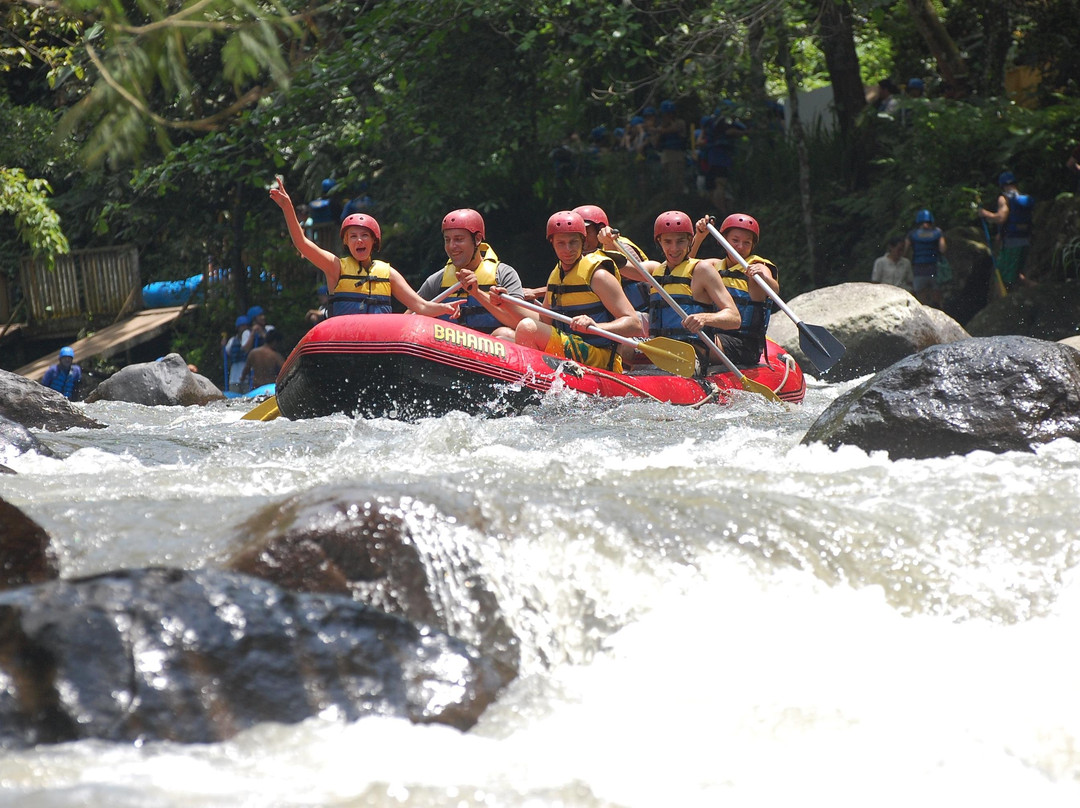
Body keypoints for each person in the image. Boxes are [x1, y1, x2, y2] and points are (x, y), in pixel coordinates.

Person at [269, 175, 455, 319]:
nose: (359, 241)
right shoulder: (335, 267)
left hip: (377, 344)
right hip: (345, 344)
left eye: (365, 235)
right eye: (353, 236)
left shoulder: (388, 273)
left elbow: (421, 306)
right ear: (346, 242)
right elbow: (302, 244)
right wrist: (288, 208)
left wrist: (443, 308)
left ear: (374, 241)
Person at [486, 210, 642, 372]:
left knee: (526, 328)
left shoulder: (599, 275)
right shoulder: (556, 275)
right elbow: (543, 320)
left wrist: (596, 326)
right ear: (552, 243)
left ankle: (532, 383)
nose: (568, 249)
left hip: (600, 358)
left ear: (582, 240)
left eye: (573, 242)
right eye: (561, 243)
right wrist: (506, 304)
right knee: (502, 341)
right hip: (570, 349)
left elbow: (634, 324)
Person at [415, 208, 524, 338]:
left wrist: (477, 293)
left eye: (459, 239)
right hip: (448, 350)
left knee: (505, 334)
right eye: (447, 240)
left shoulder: (504, 275)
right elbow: (408, 317)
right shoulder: (436, 280)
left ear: (477, 239)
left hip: (492, 350)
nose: (451, 246)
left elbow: (520, 323)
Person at [686, 212, 775, 367]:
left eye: (746, 243)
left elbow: (774, 289)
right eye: (735, 240)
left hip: (744, 345)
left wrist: (763, 278)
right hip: (715, 336)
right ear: (723, 241)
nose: (740, 247)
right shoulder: (713, 266)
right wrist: (699, 236)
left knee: (693, 342)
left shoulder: (758, 266)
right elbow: (684, 266)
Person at [979, 171, 1033, 290]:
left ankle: (1004, 303)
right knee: (1016, 275)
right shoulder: (1023, 199)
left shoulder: (1004, 198)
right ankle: (1038, 289)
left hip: (1012, 243)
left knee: (1001, 278)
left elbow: (1001, 218)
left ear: (1002, 185)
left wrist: (985, 214)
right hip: (1025, 241)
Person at [905, 209, 947, 306]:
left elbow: (905, 250)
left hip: (919, 269)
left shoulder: (912, 234)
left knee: (921, 299)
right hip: (934, 268)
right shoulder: (937, 232)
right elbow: (943, 249)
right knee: (936, 297)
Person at [656, 100, 689, 190]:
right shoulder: (661, 126)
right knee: (667, 182)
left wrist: (664, 127)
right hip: (666, 155)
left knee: (677, 182)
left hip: (677, 155)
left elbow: (674, 129)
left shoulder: (680, 123)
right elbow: (656, 142)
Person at [223, 315, 250, 393]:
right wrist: (223, 346)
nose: (244, 328)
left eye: (245, 326)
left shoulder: (250, 339)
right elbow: (225, 355)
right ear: (238, 328)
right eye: (242, 326)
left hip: (246, 378)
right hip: (234, 378)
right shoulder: (232, 341)